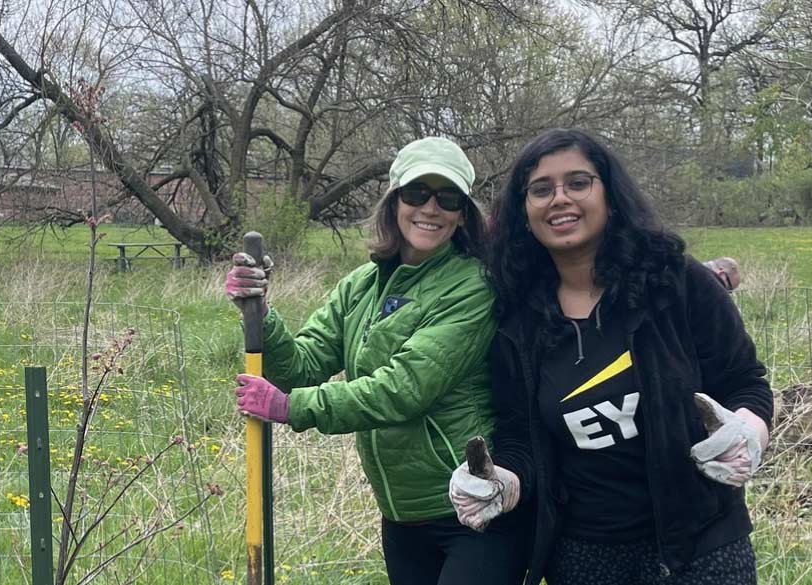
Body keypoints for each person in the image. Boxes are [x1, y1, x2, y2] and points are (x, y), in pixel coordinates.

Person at [453, 128, 772, 585]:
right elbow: (521, 438)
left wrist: (749, 434)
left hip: (700, 546)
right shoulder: (517, 324)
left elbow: (746, 383)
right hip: (583, 557)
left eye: (578, 183)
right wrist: (499, 483)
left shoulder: (677, 283)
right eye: (541, 189)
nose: (559, 198)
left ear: (610, 195)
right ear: (524, 213)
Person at [225, 137, 523, 584]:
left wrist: (291, 407)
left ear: (463, 213)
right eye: (417, 193)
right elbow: (301, 366)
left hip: (471, 510)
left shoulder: (472, 287)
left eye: (448, 198)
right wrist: (261, 315)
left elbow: (404, 389)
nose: (431, 208)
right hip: (400, 514)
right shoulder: (360, 285)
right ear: (394, 200)